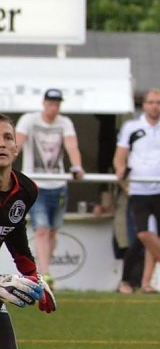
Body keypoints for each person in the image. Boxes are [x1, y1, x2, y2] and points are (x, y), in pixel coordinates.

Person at [113, 88, 160, 295]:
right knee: (144, 234)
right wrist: (122, 174)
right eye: (151, 102)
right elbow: (120, 158)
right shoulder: (131, 127)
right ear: (144, 105)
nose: (155, 106)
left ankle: (147, 283)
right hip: (139, 189)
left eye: (159, 102)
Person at [15, 88, 85, 283]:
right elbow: (17, 144)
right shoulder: (28, 120)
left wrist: (77, 166)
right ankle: (44, 273)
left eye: (57, 104)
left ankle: (46, 268)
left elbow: (72, 147)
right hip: (36, 184)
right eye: (50, 103)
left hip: (58, 185)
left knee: (53, 230)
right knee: (41, 229)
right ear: (44, 103)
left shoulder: (65, 122)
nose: (53, 108)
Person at [0, 113, 57, 348]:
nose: (2, 143)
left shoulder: (26, 190)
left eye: (7, 137)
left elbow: (15, 234)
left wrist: (34, 277)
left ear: (16, 148)